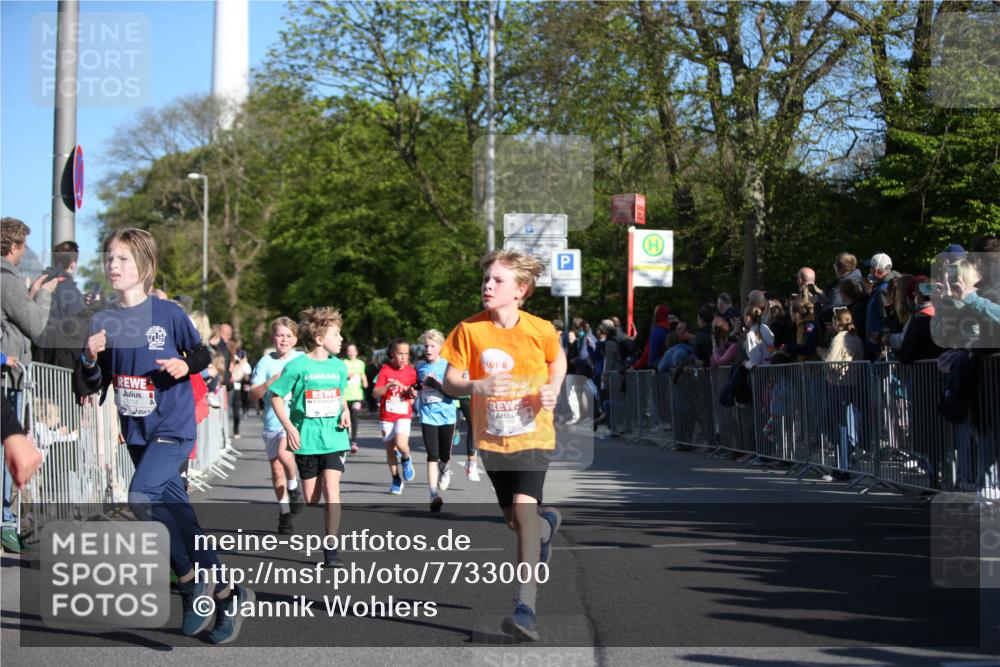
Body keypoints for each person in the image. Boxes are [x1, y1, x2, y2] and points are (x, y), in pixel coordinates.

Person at [75, 228, 252, 644]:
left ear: (145, 266)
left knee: (140, 498)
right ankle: (228, 594)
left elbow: (203, 353)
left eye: (122, 259)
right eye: (109, 259)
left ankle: (190, 581)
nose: (113, 266)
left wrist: (183, 365)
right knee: (179, 517)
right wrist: (88, 357)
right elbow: (91, 385)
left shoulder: (169, 313)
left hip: (173, 428)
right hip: (136, 432)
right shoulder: (103, 320)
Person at [441, 248, 566, 642]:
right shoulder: (469, 330)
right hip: (493, 440)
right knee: (515, 521)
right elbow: (449, 380)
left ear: (521, 289)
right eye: (486, 279)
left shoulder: (539, 328)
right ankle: (546, 529)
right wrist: (476, 385)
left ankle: (525, 607)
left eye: (498, 280)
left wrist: (552, 390)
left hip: (533, 435)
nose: (488, 285)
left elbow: (557, 360)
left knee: (523, 518)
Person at [269, 308, 351, 568]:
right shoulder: (297, 366)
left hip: (335, 438)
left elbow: (340, 396)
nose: (341, 338)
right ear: (319, 339)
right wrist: (290, 428)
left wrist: (345, 412)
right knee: (313, 497)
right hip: (306, 440)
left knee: (332, 489)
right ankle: (298, 495)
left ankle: (331, 546)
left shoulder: (339, 366)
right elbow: (275, 396)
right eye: (336, 334)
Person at [1, 217, 59, 553]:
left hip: (8, 373)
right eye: (23, 245)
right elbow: (36, 325)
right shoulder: (6, 279)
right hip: (7, 378)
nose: (25, 252)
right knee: (8, 451)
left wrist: (32, 293)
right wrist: (44, 297)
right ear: (13, 247)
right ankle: (6, 522)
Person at [249, 317, 306, 535]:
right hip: (272, 421)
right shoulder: (265, 362)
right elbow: (253, 394)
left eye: (288, 336)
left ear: (295, 339)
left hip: (294, 421)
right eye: (280, 335)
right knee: (275, 469)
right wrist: (270, 382)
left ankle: (294, 487)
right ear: (273, 337)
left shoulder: (301, 359)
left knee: (284, 453)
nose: (284, 340)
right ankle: (284, 514)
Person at [415, 329, 458, 511]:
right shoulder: (420, 366)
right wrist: (414, 388)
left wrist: (437, 386)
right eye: (426, 346)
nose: (428, 349)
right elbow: (418, 385)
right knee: (432, 455)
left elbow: (453, 394)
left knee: (444, 455)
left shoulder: (449, 365)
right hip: (428, 416)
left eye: (432, 345)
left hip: (447, 416)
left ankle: (445, 468)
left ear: (441, 347)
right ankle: (433, 494)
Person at [373, 339, 417, 494]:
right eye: (400, 353)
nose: (403, 357)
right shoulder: (385, 370)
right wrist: (388, 386)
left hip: (403, 413)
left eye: (406, 353)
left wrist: (412, 394)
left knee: (401, 444)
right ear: (392, 354)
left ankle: (406, 458)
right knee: (390, 451)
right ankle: (396, 480)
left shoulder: (411, 371)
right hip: (386, 416)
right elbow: (375, 393)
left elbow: (414, 391)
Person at [342, 342, 368, 454]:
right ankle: (344, 440)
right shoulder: (343, 363)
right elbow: (340, 376)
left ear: (356, 352)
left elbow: (363, 374)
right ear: (347, 352)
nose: (351, 352)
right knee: (345, 418)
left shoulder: (361, 363)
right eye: (349, 350)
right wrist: (347, 376)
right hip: (345, 396)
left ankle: (353, 442)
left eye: (353, 350)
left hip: (357, 395)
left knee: (354, 414)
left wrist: (365, 381)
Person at [631, 303, 670, 370]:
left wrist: (635, 366)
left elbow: (649, 353)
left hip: (657, 369)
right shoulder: (674, 328)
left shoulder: (657, 331)